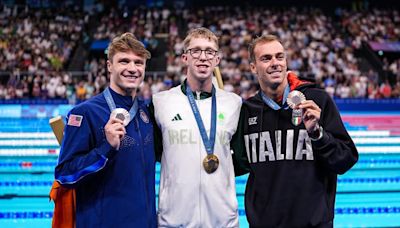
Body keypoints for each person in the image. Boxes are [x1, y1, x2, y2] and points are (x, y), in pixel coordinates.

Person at [232, 34, 359, 227]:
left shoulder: (317, 100)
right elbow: (237, 163)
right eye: (266, 58)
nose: (275, 63)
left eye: (279, 56)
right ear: (253, 67)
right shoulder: (248, 110)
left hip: (314, 224)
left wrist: (318, 134)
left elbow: (345, 160)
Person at [54, 33, 156, 227]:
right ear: (109, 66)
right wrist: (105, 148)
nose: (132, 68)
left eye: (138, 62)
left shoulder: (146, 113)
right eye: (124, 61)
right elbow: (64, 174)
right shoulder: (85, 113)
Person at [150, 27, 242, 227]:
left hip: (223, 221)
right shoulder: (161, 103)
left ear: (217, 60)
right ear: (185, 58)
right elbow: (154, 154)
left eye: (209, 51)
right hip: (175, 221)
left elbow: (240, 159)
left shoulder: (234, 104)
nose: (203, 57)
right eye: (196, 51)